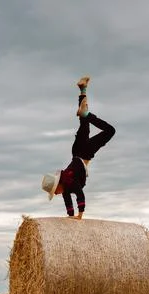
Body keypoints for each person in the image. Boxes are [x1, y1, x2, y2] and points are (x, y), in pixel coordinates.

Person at [42, 76, 116, 219]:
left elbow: (79, 194)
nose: (55, 194)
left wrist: (80, 215)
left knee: (109, 131)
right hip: (77, 151)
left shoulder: (68, 181)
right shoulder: (65, 187)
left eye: (54, 191)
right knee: (84, 121)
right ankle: (83, 89)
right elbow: (68, 204)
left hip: (84, 152)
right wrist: (70, 216)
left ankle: (87, 114)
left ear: (58, 185)